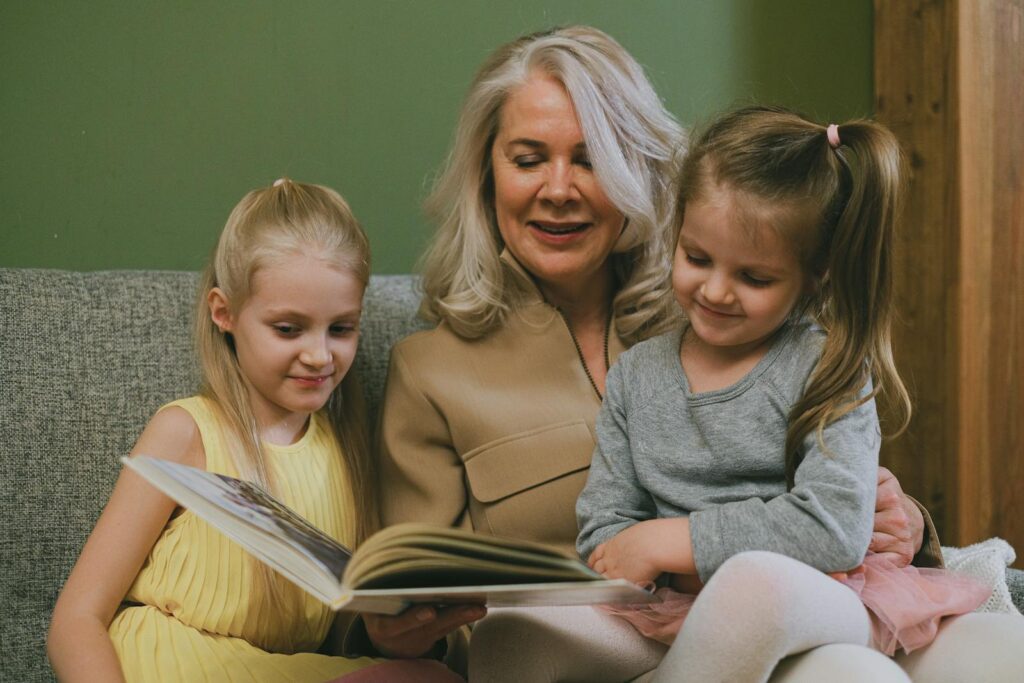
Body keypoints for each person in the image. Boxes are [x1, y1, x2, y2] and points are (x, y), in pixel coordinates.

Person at [370, 25, 943, 678]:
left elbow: (829, 496)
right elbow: (424, 597)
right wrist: (402, 631)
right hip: (588, 649)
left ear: (634, 166)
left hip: (769, 628)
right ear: (486, 175)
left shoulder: (718, 312)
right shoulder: (430, 371)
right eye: (528, 159)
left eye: (589, 159)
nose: (558, 188)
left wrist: (908, 523)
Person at [577, 106, 1024, 682]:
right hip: (675, 610)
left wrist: (676, 539)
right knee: (512, 635)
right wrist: (650, 557)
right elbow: (604, 531)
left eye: (754, 278)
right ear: (677, 234)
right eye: (696, 258)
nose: (715, 290)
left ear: (816, 275)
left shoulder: (828, 366)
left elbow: (833, 527)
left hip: (816, 594)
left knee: (1005, 644)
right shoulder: (637, 376)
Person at [47, 179, 461, 683]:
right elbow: (76, 620)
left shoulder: (345, 449)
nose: (320, 355)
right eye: (288, 329)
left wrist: (391, 632)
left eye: (341, 328)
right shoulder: (186, 431)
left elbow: (336, 632)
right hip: (169, 663)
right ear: (224, 312)